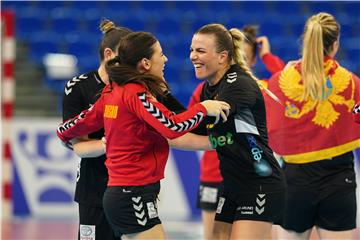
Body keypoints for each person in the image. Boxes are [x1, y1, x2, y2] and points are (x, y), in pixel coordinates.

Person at [57, 31, 230, 239]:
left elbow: (71, 126)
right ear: (146, 63)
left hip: (123, 194)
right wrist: (204, 108)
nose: (165, 59)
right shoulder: (136, 94)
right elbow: (172, 127)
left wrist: (63, 134)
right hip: (132, 195)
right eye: (161, 54)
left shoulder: (111, 92)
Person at [264, 12, 360, 240]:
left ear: (306, 42)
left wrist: (267, 57)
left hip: (295, 181)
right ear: (335, 45)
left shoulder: (281, 80)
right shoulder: (352, 84)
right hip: (339, 180)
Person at [189, 23, 286, 239]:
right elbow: (192, 128)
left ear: (224, 57)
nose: (193, 56)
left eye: (200, 51)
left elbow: (195, 132)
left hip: (258, 181)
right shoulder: (208, 86)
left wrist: (162, 130)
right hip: (229, 180)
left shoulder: (242, 85)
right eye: (191, 50)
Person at [62, 19, 132, 240]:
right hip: (94, 187)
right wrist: (111, 142)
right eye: (128, 56)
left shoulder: (135, 88)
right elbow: (78, 146)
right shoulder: (79, 87)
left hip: (131, 186)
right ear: (110, 54)